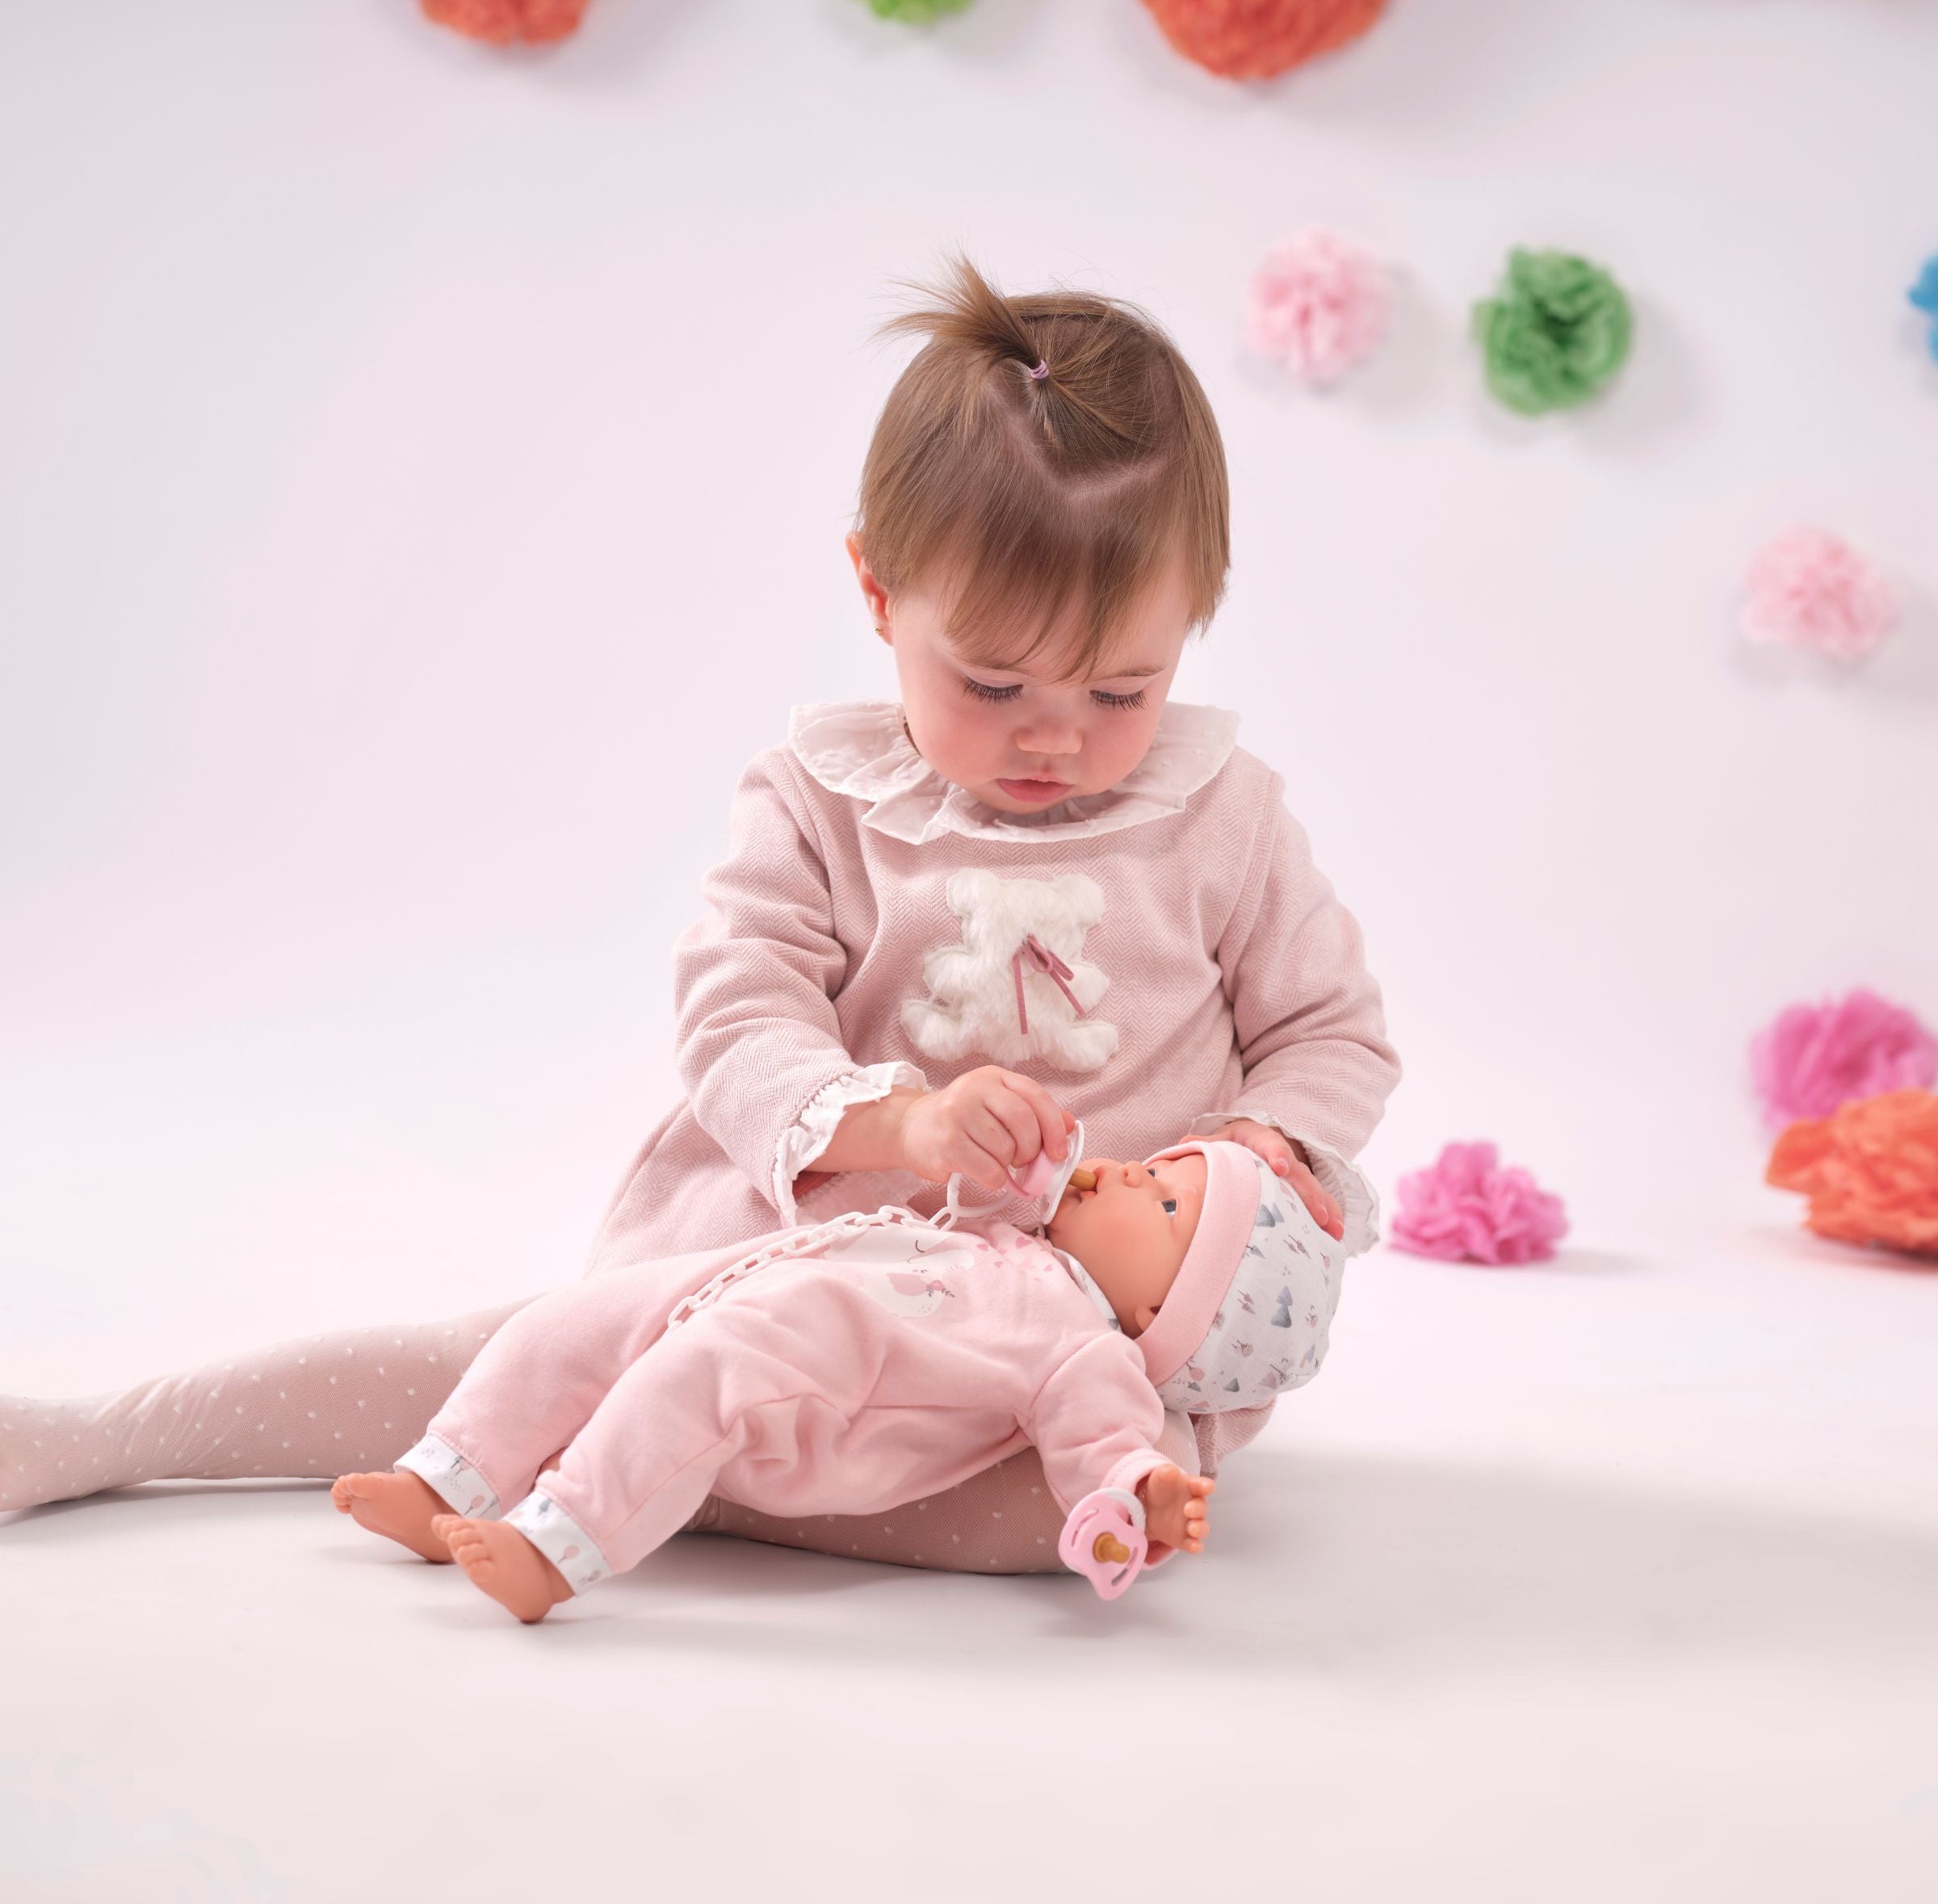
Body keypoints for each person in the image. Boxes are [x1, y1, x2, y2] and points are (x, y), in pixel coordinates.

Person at [2, 257, 1400, 1575]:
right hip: (796, 1264)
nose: (1055, 737)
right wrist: (903, 1126)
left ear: (1193, 622)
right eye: (991, 684)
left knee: (1115, 1496)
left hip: (1068, 1334)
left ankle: (651, 1464)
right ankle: (120, 1432)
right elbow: (738, 1019)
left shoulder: (1224, 820)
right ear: (878, 592)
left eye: (1120, 691)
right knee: (510, 1351)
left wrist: (1260, 1150)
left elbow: (1330, 1031)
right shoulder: (821, 801)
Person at [337, 1135, 1371, 1622]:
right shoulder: (1020, 1240)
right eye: (1157, 1161)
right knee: (568, 1324)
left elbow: (1100, 1445)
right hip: (744, 1289)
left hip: (808, 1390)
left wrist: (1146, 1491)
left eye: (1166, 1202)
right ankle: (448, 1478)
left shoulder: (1089, 1351)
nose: (1134, 1171)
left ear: (1164, 1313)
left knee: (687, 1384)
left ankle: (555, 1552)